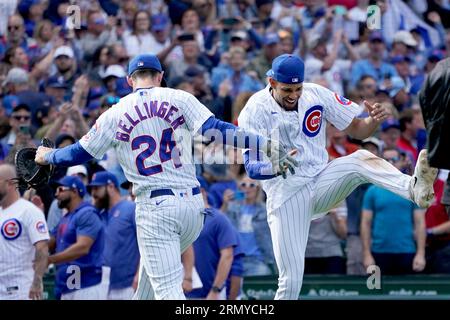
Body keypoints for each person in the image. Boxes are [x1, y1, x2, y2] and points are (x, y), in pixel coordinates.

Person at [35, 53, 296, 300]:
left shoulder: (114, 113)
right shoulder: (179, 97)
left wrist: (47, 155)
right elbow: (217, 130)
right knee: (147, 291)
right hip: (194, 207)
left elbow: (78, 153)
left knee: (168, 293)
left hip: (156, 208)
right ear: (160, 76)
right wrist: (267, 145)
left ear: (129, 81)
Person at [238, 53, 438, 300]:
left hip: (321, 181)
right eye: (287, 89)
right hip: (286, 195)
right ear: (271, 82)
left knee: (360, 158)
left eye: (297, 88)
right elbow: (251, 166)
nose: (293, 95)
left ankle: (414, 188)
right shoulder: (254, 110)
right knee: (290, 280)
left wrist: (372, 122)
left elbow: (356, 129)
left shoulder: (315, 94)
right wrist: (274, 167)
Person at [361, 148, 426, 275]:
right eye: (386, 160)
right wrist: (366, 254)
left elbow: (420, 223)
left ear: (401, 162)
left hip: (407, 252)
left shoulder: (411, 190)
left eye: (394, 160)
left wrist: (420, 253)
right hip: (378, 253)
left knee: (406, 294)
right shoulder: (372, 190)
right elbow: (365, 224)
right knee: (377, 293)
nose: (390, 163)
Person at [48, 176, 106, 300]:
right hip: (66, 286)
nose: (56, 194)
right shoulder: (65, 218)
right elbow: (49, 243)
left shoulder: (87, 213)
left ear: (74, 191)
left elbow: (82, 247)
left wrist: (50, 259)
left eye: (60, 189)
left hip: (86, 287)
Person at [0, 164, 49, 300]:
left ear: (9, 183)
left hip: (22, 289)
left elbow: (42, 248)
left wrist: (36, 282)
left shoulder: (29, 211)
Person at [89, 171, 140, 299]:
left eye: (97, 188)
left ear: (111, 187)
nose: (93, 193)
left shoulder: (130, 209)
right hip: (102, 284)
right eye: (92, 189)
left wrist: (139, 275)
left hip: (127, 285)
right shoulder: (99, 213)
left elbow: (145, 245)